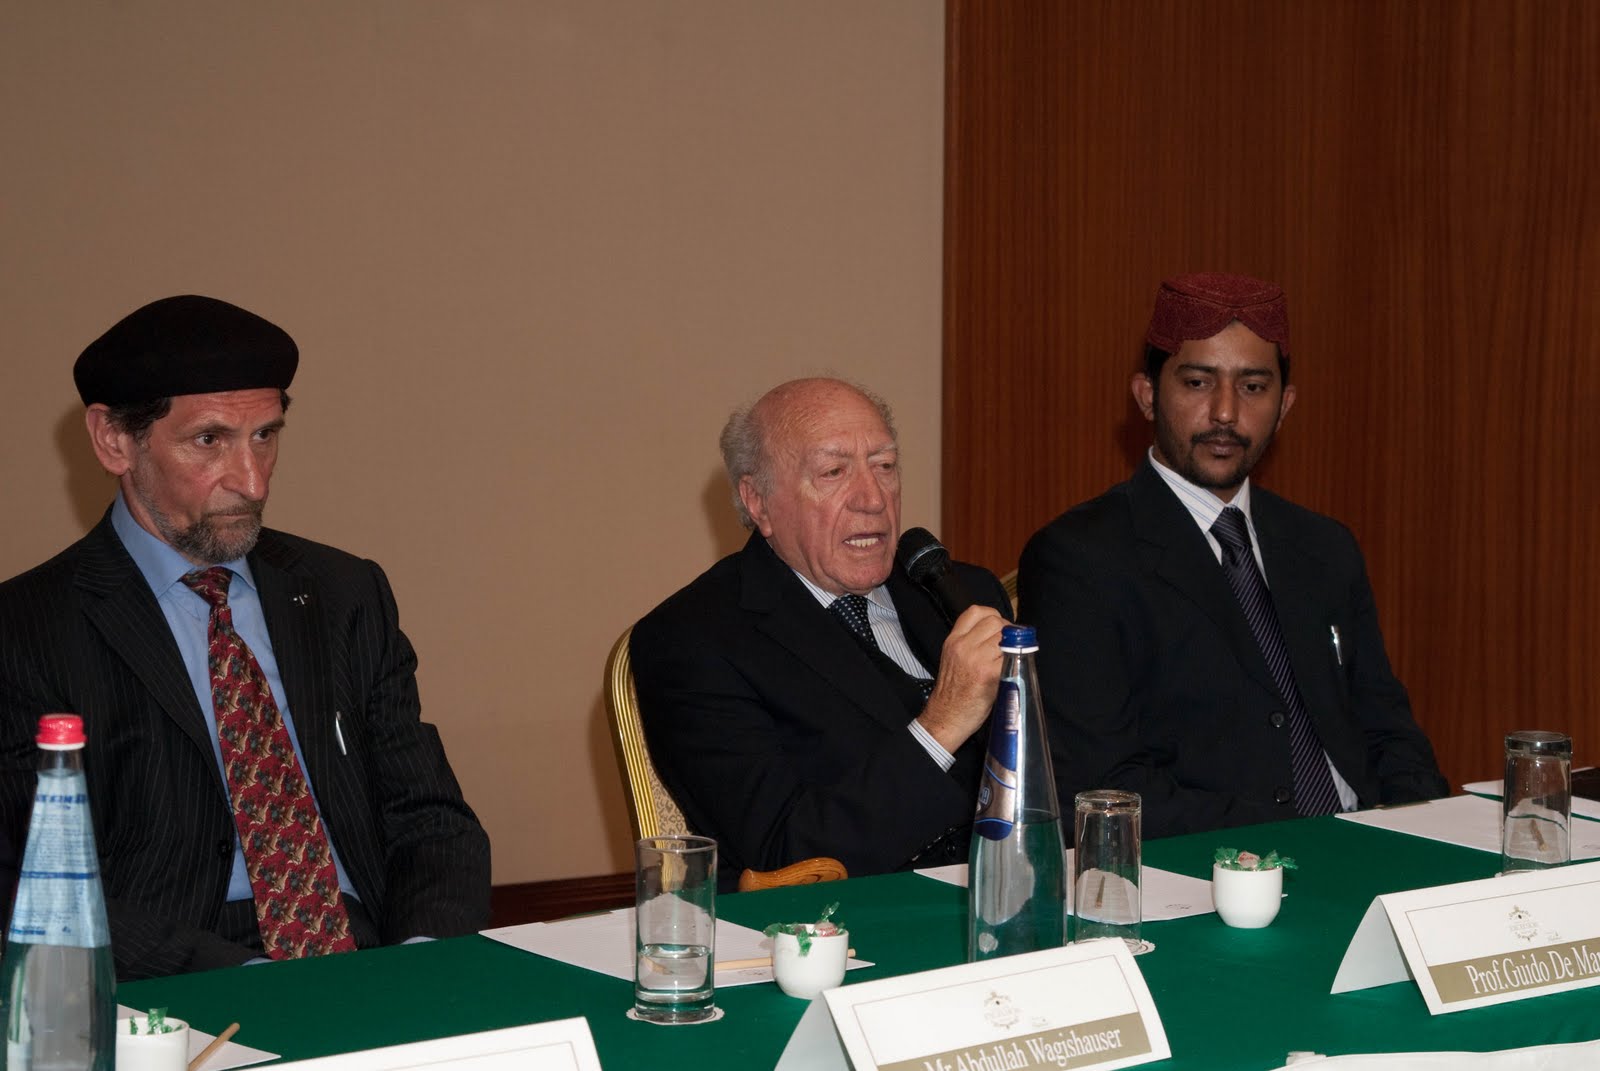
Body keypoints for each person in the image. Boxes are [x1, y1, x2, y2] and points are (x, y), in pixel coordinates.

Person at [0, 295, 491, 980]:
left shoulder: (343, 591)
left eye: (265, 435)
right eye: (210, 441)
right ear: (114, 440)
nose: (252, 481)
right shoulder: (25, 630)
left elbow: (431, 818)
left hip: (368, 955)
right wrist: (251, 984)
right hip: (171, 978)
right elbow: (33, 879)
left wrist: (423, 960)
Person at [1018, 273, 1447, 839]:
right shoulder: (1080, 557)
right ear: (1146, 395)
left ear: (1284, 405)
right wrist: (1306, 840)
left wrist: (1427, 831)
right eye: (1198, 382)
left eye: (1253, 387)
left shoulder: (1324, 546)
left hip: (1368, 842)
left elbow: (1389, 730)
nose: (1225, 412)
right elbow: (1104, 786)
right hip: (1219, 859)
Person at [631, 377, 1012, 885]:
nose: (872, 498)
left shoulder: (960, 591)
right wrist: (941, 726)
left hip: (1013, 891)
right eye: (833, 472)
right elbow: (782, 855)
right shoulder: (692, 639)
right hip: (851, 918)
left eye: (884, 466)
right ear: (758, 502)